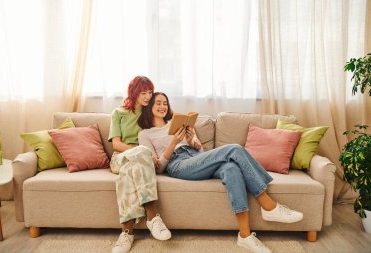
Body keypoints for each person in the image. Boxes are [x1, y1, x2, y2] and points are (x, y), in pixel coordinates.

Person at [137, 92, 304, 253]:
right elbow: (158, 168)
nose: (162, 106)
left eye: (165, 103)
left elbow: (200, 151)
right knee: (235, 149)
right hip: (178, 164)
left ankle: (245, 236)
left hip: (196, 157)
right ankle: (268, 205)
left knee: (232, 169)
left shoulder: (176, 124)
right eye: (158, 103)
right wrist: (174, 142)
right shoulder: (145, 134)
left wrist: (190, 140)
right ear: (150, 106)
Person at [108, 77, 171, 253]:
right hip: (120, 157)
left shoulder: (150, 112)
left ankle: (126, 233)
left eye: (150, 92)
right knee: (138, 155)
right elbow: (116, 144)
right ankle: (152, 215)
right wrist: (142, 151)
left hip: (140, 163)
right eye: (143, 92)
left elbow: (168, 123)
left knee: (128, 172)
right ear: (133, 92)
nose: (147, 96)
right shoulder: (118, 113)